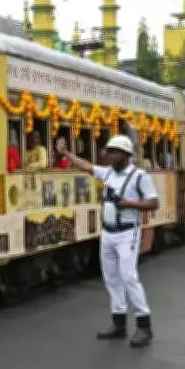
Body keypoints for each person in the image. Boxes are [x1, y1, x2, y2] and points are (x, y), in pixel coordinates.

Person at [58, 134, 159, 348]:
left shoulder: (139, 176)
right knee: (111, 278)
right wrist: (66, 154)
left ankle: (144, 324)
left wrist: (129, 204)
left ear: (125, 154)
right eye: (109, 152)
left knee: (129, 276)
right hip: (108, 234)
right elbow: (87, 167)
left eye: (113, 152)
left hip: (127, 233)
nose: (109, 155)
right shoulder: (109, 173)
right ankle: (119, 322)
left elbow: (153, 202)